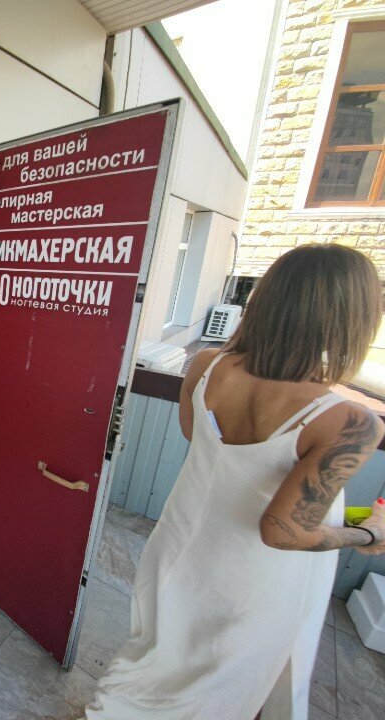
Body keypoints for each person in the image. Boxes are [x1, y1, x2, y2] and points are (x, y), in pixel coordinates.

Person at [83, 243, 385, 720]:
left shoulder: (207, 365)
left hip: (181, 548)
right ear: (352, 320)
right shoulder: (349, 421)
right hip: (249, 581)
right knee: (220, 689)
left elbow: (197, 438)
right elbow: (282, 530)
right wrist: (366, 534)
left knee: (158, 664)